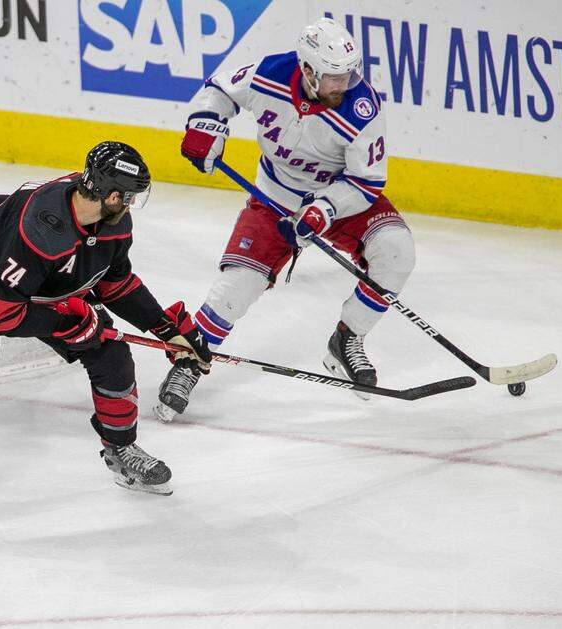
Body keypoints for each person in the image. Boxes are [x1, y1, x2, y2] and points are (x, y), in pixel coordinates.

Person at [0, 141, 213, 531]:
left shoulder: (111, 222)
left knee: (112, 357)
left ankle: (121, 451)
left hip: (47, 290)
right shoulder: (42, 228)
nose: (131, 205)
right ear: (112, 194)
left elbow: (116, 284)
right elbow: (3, 316)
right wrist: (69, 323)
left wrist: (168, 331)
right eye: (129, 197)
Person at [158, 16, 416, 420]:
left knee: (397, 251)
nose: (343, 84)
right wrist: (206, 123)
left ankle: (346, 339)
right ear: (307, 70)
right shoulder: (271, 73)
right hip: (273, 197)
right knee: (233, 289)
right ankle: (190, 362)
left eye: (348, 74)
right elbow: (220, 89)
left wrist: (324, 208)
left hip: (339, 201)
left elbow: (367, 182)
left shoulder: (362, 108)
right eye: (333, 76)